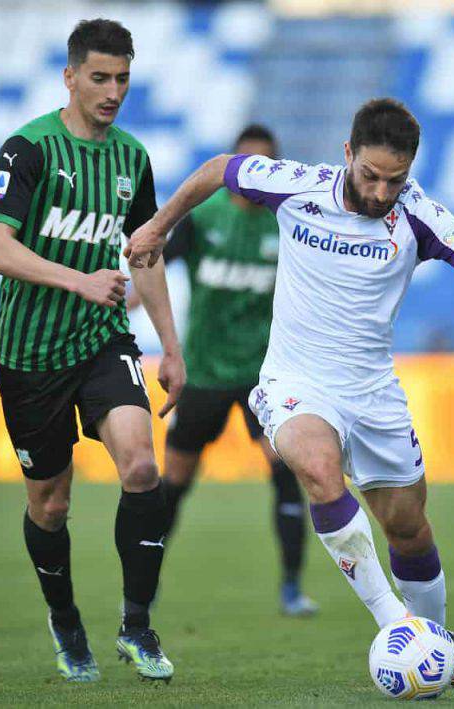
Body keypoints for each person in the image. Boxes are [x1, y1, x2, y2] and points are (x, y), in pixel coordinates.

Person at [126, 97, 454, 689]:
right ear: (348, 154)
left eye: (394, 180)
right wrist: (158, 224)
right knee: (319, 470)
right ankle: (396, 625)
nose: (379, 192)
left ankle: (439, 652)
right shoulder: (300, 185)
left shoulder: (419, 214)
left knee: (407, 525)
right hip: (295, 380)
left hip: (373, 391)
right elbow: (218, 168)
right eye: (370, 175)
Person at [0, 19, 184, 683]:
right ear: (70, 76)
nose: (113, 90)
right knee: (52, 504)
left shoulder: (133, 158)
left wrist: (171, 347)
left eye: (123, 78)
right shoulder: (28, 148)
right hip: (30, 354)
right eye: (100, 77)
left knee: (142, 466)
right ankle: (65, 618)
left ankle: (137, 624)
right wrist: (80, 280)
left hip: (102, 341)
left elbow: (144, 255)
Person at [128, 124, 317, 617]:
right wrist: (121, 303)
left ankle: (292, 589)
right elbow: (155, 263)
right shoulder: (203, 217)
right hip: (205, 371)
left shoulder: (287, 224)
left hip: (264, 376)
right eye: (247, 166)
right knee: (175, 482)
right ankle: (146, 584)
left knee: (285, 472)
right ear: (235, 168)